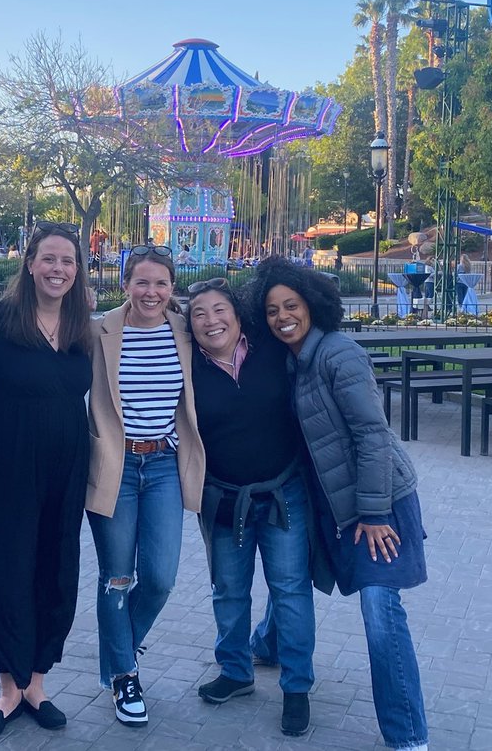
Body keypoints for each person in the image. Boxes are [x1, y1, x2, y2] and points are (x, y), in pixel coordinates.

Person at [249, 257, 429, 751]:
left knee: (379, 608)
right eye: (271, 310)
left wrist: (372, 515)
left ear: (313, 305)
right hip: (324, 501)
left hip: (379, 503)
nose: (283, 316)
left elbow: (372, 435)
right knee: (296, 572)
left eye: (292, 305)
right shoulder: (287, 360)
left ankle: (408, 737)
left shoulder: (338, 354)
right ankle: (267, 644)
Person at [185, 278, 329, 737]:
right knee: (228, 588)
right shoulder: (187, 366)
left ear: (237, 314)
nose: (212, 320)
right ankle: (235, 670)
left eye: (220, 309)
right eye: (200, 313)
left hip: (284, 492)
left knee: (289, 588)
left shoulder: (271, 349)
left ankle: (297, 687)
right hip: (224, 497)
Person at [0, 221, 94, 739]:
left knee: (55, 566)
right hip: (7, 464)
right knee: (3, 566)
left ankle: (37, 682)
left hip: (67, 466)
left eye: (67, 261)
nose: (58, 269)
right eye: (49, 259)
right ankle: (8, 687)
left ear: (77, 269)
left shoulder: (85, 325)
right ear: (30, 262)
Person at [86, 244, 206, 727]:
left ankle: (116, 652)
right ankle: (125, 676)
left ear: (172, 288)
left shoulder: (185, 331)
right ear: (126, 284)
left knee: (159, 577)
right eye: (142, 282)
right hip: (116, 465)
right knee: (117, 576)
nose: (151, 292)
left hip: (163, 467)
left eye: (160, 283)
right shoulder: (100, 331)